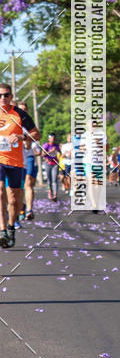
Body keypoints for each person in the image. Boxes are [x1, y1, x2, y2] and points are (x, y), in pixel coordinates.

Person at [0, 84, 40, 247]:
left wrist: (21, 136)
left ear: (11, 96)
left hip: (16, 162)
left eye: (6, 95)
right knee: (0, 191)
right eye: (0, 95)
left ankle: (11, 226)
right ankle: (2, 230)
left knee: (14, 200)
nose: (2, 98)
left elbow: (36, 134)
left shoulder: (19, 114)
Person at [17, 100, 39, 221]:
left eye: (24, 110)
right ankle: (21, 207)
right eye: (20, 109)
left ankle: (29, 210)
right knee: (18, 188)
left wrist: (26, 140)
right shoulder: (12, 123)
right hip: (16, 159)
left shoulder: (29, 125)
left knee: (28, 184)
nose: (22, 112)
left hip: (29, 157)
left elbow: (32, 142)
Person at [42, 133, 61, 201]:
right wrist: (50, 151)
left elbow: (59, 152)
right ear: (49, 139)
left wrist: (58, 152)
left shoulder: (56, 145)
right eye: (52, 138)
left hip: (55, 163)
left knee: (54, 179)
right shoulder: (46, 145)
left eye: (54, 138)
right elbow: (42, 154)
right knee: (49, 180)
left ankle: (55, 194)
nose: (53, 140)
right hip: (48, 163)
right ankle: (50, 192)